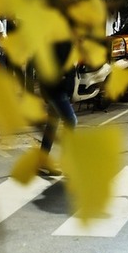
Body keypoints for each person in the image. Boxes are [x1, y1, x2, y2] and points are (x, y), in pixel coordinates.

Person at [37, 40, 77, 175]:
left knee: (52, 124)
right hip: (57, 89)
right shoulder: (59, 39)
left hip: (57, 88)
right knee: (71, 121)